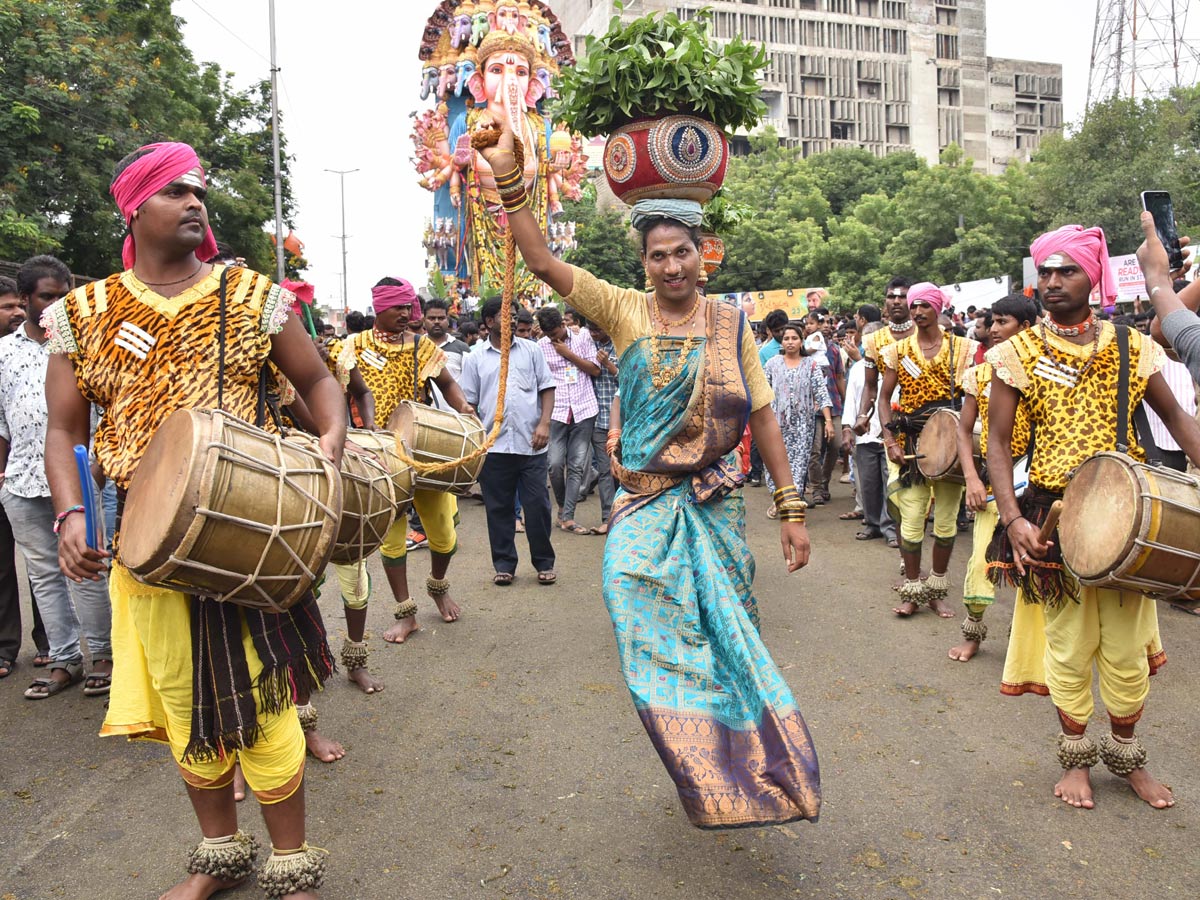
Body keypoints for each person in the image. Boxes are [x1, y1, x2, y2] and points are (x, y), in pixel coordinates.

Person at [475, 113, 820, 828]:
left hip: (715, 503)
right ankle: (696, 762)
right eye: (658, 256)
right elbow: (541, 262)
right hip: (643, 504)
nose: (671, 266)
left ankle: (752, 770)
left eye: (682, 253)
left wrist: (790, 509)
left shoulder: (731, 324)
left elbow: (759, 416)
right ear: (644, 265)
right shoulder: (623, 310)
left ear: (704, 255)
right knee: (633, 600)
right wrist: (511, 181)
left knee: (726, 633)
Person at [44, 141, 342, 898]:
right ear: (135, 207)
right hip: (144, 545)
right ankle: (220, 857)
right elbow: (63, 431)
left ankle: (292, 866)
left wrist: (329, 449)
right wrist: (72, 511)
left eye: (198, 190)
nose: (195, 202)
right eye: (175, 190)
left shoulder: (249, 295)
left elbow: (317, 381)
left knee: (267, 707)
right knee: (184, 706)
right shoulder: (85, 313)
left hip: (247, 535)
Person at [987, 223, 1200, 811]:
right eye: (1045, 273)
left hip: (1129, 518)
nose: (1052, 282)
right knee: (1068, 646)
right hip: (1053, 520)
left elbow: (1181, 423)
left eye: (1067, 271)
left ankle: (1128, 757)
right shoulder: (1015, 353)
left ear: (1094, 275)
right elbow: (999, 445)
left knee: (1128, 653)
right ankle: (1075, 760)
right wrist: (1011, 519)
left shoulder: (1134, 346)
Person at [326, 278, 476, 645]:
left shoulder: (421, 347)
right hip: (378, 458)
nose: (407, 314)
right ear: (380, 308)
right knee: (391, 540)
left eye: (410, 307)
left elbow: (448, 385)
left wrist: (465, 408)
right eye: (399, 308)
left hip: (422, 450)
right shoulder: (351, 347)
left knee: (443, 534)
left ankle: (438, 586)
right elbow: (333, 392)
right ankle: (405, 612)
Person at [1, 255, 114, 701]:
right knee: (45, 573)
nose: (57, 306)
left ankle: (103, 657)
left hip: (84, 479)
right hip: (23, 482)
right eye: (47, 297)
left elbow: (108, 410)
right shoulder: (4, 353)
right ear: (25, 299)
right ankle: (64, 659)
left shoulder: (88, 343)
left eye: (64, 296)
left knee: (87, 569)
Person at [878, 283, 978, 618]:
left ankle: (936, 589)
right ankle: (912, 589)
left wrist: (968, 442)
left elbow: (973, 397)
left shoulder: (963, 348)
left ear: (938, 308)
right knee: (911, 519)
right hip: (911, 445)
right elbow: (884, 397)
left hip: (950, 446)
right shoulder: (898, 351)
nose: (918, 312)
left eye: (924, 306)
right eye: (914, 306)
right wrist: (890, 440)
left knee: (947, 522)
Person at [947, 294, 1035, 662]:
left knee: (1036, 565)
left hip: (1037, 480)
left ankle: (1029, 645)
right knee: (982, 560)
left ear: (1026, 327)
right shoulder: (978, 374)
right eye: (992, 322)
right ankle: (973, 634)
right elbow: (964, 431)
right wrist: (971, 478)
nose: (993, 330)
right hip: (994, 481)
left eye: (1003, 322)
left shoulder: (1047, 370)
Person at [460, 296, 556, 584]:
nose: (513, 320)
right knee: (498, 508)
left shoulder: (532, 350)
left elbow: (546, 388)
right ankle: (504, 565)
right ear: (489, 321)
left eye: (514, 315)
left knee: (537, 505)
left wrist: (544, 423)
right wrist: (478, 440)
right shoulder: (474, 358)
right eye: (506, 315)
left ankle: (544, 562)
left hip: (532, 444)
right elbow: (469, 403)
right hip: (495, 447)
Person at [0, 275, 50, 680]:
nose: (15, 312)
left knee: (44, 567)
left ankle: (52, 644)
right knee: (6, 566)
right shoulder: (3, 354)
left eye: (16, 306)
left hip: (39, 472)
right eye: (8, 307)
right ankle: (5, 647)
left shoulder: (62, 345)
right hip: (10, 474)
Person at [536, 306, 600, 535]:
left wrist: (567, 353)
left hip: (583, 408)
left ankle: (568, 516)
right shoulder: (541, 347)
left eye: (557, 333)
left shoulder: (582, 337)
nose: (555, 338)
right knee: (554, 464)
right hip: (557, 411)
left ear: (564, 324)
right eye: (550, 335)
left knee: (576, 465)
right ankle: (563, 506)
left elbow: (595, 369)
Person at [763, 324, 832, 518]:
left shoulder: (810, 365)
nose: (790, 342)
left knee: (799, 465)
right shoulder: (772, 364)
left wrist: (827, 421)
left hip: (803, 425)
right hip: (776, 423)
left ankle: (792, 504)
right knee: (774, 463)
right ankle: (778, 499)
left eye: (794, 338)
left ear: (801, 341)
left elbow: (821, 393)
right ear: (781, 342)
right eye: (786, 338)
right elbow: (763, 393)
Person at [842, 322, 897, 545]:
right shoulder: (857, 368)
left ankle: (890, 528)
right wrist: (847, 428)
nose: (869, 344)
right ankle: (872, 523)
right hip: (864, 435)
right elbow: (851, 401)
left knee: (889, 484)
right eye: (866, 339)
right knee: (868, 483)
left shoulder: (896, 364)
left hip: (889, 435)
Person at [585, 317, 619, 534]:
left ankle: (624, 514)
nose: (595, 334)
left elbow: (630, 379)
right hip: (598, 420)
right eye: (592, 330)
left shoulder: (620, 343)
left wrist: (608, 365)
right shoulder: (587, 345)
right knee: (606, 471)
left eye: (598, 329)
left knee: (623, 470)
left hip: (621, 420)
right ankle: (608, 518)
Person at [808, 314, 845, 505]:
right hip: (812, 409)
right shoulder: (804, 351)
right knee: (814, 449)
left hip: (834, 405)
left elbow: (839, 377)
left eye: (829, 323)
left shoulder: (834, 349)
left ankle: (824, 482)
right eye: (820, 322)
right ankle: (815, 488)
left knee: (836, 445)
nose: (825, 326)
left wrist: (847, 403)